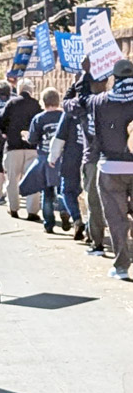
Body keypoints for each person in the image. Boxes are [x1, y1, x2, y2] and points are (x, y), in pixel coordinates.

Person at [88, 59, 133, 280]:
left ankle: (122, 266)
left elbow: (93, 135)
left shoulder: (100, 102)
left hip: (110, 167)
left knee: (116, 219)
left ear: (114, 77)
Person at [62, 59, 108, 254]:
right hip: (116, 157)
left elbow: (65, 102)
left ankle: (97, 242)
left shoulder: (81, 104)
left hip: (92, 159)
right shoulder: (110, 101)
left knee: (94, 202)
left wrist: (79, 78)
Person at [0, 78, 42, 220]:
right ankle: (32, 211)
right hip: (31, 147)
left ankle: (13, 208)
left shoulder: (11, 103)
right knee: (33, 180)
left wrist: (6, 133)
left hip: (13, 146)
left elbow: (1, 122)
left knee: (12, 179)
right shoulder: (36, 104)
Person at [26, 88, 69, 234]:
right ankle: (65, 210)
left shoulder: (39, 119)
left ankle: (49, 224)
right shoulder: (65, 116)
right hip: (64, 157)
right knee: (64, 188)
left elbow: (32, 139)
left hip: (45, 157)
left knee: (47, 191)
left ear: (43, 102)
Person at [48, 109, 86, 240]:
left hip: (71, 157)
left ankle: (77, 218)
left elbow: (60, 137)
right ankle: (92, 228)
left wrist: (53, 157)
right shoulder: (98, 103)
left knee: (67, 191)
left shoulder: (70, 111)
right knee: (91, 194)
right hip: (91, 156)